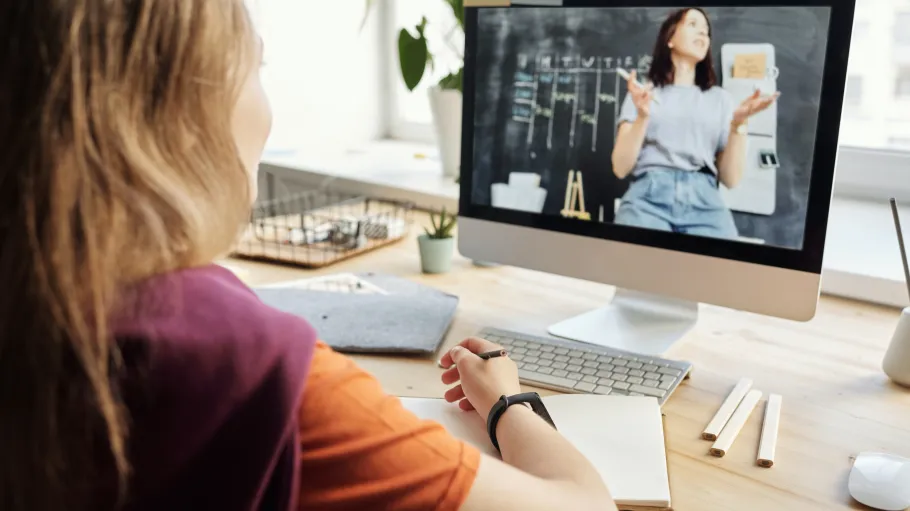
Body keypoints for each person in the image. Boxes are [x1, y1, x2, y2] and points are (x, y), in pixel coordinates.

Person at [0, 2, 616, 510]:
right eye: (256, 68)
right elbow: (582, 505)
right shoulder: (251, 367)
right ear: (178, 109)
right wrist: (507, 401)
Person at [611, 7, 779, 239]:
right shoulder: (643, 93)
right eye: (693, 25)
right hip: (647, 198)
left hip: (705, 201)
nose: (702, 33)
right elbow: (620, 168)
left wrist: (739, 124)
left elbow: (730, 179)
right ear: (670, 38)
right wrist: (642, 116)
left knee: (724, 269)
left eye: (706, 30)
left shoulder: (720, 99)